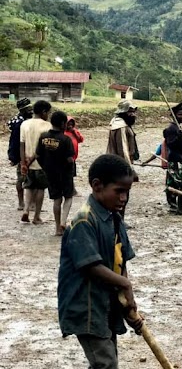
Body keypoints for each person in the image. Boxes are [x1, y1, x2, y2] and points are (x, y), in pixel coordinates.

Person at [58, 154, 143, 369]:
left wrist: (128, 301)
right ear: (97, 186)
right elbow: (90, 265)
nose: (124, 198)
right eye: (119, 191)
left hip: (106, 304)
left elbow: (121, 261)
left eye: (127, 192)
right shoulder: (84, 221)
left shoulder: (114, 218)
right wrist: (124, 284)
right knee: (106, 363)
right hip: (86, 305)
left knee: (105, 360)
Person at [32, 111, 75, 236]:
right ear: (63, 124)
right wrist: (71, 165)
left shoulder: (43, 136)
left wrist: (45, 166)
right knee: (68, 197)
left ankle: (57, 228)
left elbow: (38, 155)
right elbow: (69, 159)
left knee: (57, 200)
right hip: (65, 173)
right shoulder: (66, 139)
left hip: (50, 173)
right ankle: (63, 222)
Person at [20, 100, 52, 224]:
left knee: (28, 187)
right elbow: (44, 147)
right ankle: (36, 216)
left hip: (27, 162)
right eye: (48, 112)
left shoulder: (25, 124)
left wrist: (23, 163)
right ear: (44, 112)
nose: (48, 115)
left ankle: (26, 210)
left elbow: (21, 145)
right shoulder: (47, 126)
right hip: (42, 164)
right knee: (40, 189)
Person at [106, 99, 139, 218]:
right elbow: (123, 150)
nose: (133, 115)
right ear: (123, 112)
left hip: (115, 162)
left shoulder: (118, 123)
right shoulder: (121, 127)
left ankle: (117, 219)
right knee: (122, 194)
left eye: (134, 112)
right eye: (130, 112)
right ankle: (119, 220)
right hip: (120, 165)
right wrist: (130, 169)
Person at [7, 97, 32, 211]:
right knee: (21, 179)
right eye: (28, 109)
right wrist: (14, 157)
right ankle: (21, 203)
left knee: (31, 179)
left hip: (30, 154)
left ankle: (30, 203)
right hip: (22, 155)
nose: (31, 111)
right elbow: (14, 142)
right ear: (22, 110)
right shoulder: (19, 124)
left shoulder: (26, 121)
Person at [140, 141, 175, 210]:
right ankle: (171, 203)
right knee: (169, 185)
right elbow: (156, 155)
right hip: (170, 168)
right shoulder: (163, 145)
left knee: (173, 185)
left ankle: (173, 203)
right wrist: (146, 162)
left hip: (176, 167)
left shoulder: (175, 143)